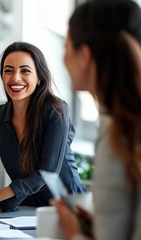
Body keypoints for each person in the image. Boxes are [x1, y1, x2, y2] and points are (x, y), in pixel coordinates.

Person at [52, 1, 141, 240]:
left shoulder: (119, 132)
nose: (63, 58)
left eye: (65, 47)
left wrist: (73, 232)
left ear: (84, 56)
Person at [0, 42, 86, 211]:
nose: (15, 77)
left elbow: (47, 174)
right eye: (8, 70)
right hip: (28, 205)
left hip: (69, 206)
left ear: (38, 78)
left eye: (25, 70)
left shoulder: (56, 111)